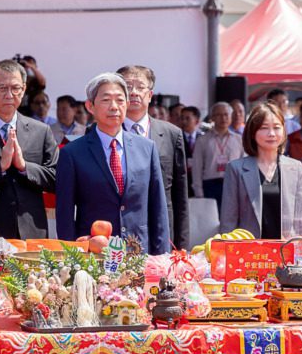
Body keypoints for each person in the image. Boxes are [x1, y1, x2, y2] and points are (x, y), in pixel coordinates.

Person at [55, 73, 168, 252]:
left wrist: (162, 257)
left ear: (127, 104)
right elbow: (64, 214)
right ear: (90, 106)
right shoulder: (72, 153)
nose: (114, 107)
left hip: (138, 252)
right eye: (106, 100)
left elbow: (158, 209)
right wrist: (71, 258)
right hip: (94, 255)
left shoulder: (147, 148)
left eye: (120, 100)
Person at [0, 59, 58, 240]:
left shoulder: (41, 131)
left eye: (15, 88)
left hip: (33, 233)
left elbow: (56, 179)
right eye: (2, 88)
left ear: (23, 89)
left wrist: (24, 167)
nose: (9, 94)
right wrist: (0, 168)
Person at [116, 64, 189, 250]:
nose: (133, 93)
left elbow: (180, 197)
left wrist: (182, 245)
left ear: (150, 95)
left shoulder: (172, 133)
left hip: (161, 228)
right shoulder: (103, 133)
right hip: (119, 228)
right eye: (127, 86)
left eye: (140, 87)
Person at [218, 103, 302, 241]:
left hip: (287, 251)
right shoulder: (236, 169)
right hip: (249, 253)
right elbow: (228, 221)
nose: (271, 134)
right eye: (264, 128)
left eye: (277, 128)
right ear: (252, 132)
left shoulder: (296, 168)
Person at [192, 101, 243, 205]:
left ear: (230, 116)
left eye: (226, 114)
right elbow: (197, 168)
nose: (223, 118)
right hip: (210, 186)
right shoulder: (202, 140)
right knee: (212, 220)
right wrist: (199, 193)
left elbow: (243, 167)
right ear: (212, 118)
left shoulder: (239, 140)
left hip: (233, 184)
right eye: (219, 115)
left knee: (231, 220)